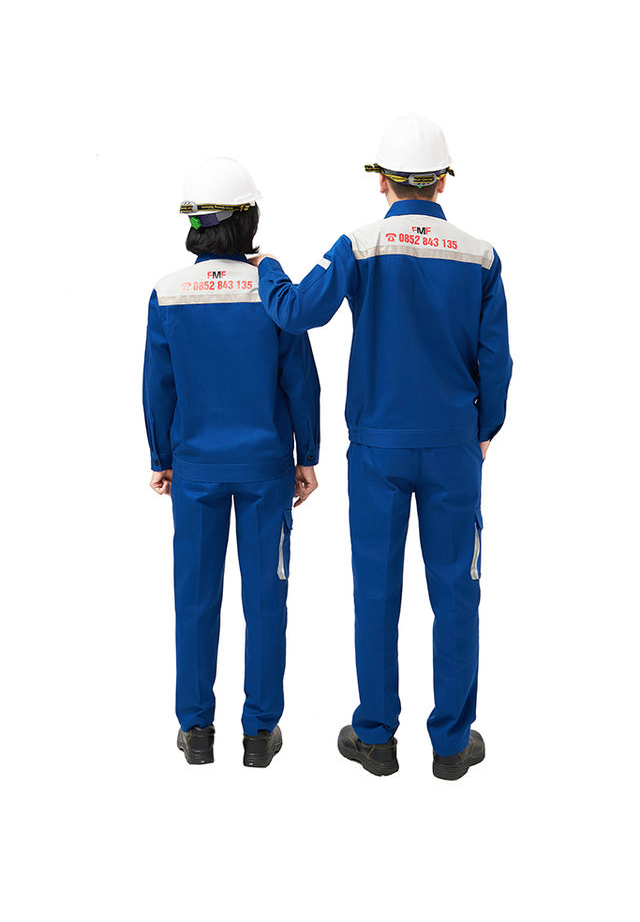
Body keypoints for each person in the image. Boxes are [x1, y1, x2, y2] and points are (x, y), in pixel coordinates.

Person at [251, 115, 512, 779]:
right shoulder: (480, 256)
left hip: (377, 450)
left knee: (376, 591)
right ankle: (451, 746)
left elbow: (295, 311)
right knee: (457, 593)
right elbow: (496, 360)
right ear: (443, 180)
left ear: (382, 182)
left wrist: (268, 267)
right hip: (453, 448)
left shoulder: (358, 245)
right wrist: (484, 431)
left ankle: (375, 738)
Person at [143, 157, 320, 767]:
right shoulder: (271, 293)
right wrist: (307, 454)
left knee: (194, 598)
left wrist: (161, 456)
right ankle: (258, 733)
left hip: (195, 470)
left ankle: (196, 730)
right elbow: (300, 380)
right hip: (265, 468)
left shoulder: (168, 293)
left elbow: (158, 384)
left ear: (194, 224)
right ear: (248, 221)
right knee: (265, 599)